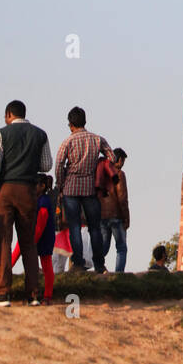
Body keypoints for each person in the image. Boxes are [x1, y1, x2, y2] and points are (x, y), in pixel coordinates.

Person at [0, 100, 52, 307]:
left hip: (5, 190)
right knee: (29, 243)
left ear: (9, 114)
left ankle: (2, 294)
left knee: (4, 241)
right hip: (29, 191)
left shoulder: (1, 134)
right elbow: (46, 164)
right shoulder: (41, 134)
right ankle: (33, 295)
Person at [54, 107, 114, 275]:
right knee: (94, 228)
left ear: (71, 125)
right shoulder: (96, 139)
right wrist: (100, 165)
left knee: (74, 227)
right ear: (85, 122)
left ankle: (78, 263)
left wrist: (60, 184)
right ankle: (100, 264)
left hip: (71, 188)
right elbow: (112, 157)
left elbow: (58, 164)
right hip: (90, 189)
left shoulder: (67, 142)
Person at [10, 174, 56, 303]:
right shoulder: (36, 199)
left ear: (42, 186)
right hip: (34, 235)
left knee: (46, 264)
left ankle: (48, 295)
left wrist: (32, 241)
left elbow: (41, 225)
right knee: (19, 250)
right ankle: (7, 267)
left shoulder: (44, 201)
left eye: (34, 185)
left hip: (43, 237)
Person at [97, 147, 129, 273]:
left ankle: (95, 266)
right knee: (121, 247)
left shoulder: (102, 174)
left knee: (104, 245)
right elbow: (122, 198)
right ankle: (119, 274)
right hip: (116, 215)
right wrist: (126, 218)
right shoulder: (119, 174)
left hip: (102, 215)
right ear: (119, 160)